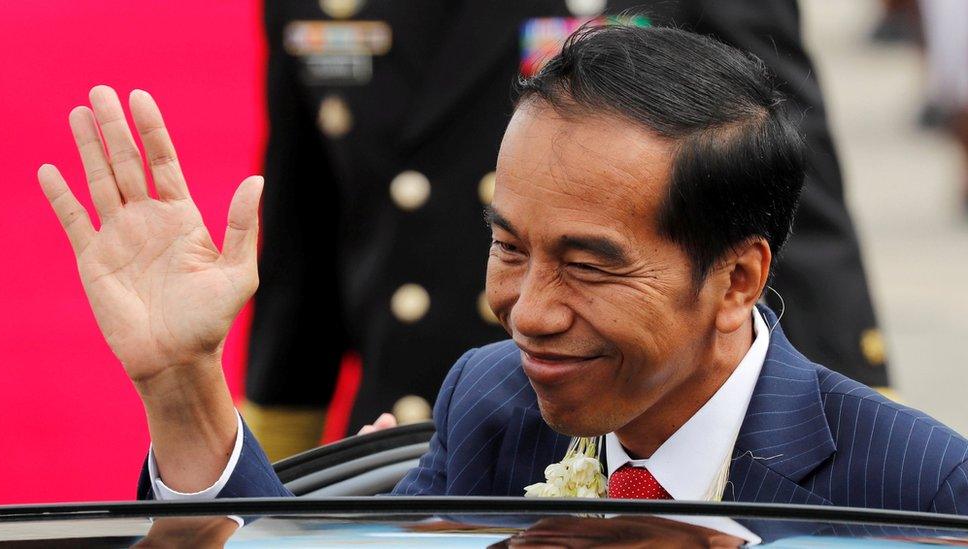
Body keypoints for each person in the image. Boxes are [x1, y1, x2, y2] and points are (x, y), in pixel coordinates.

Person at [39, 25, 965, 510]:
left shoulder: (910, 491)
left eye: (589, 266)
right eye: (508, 245)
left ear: (735, 280)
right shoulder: (492, 405)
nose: (526, 310)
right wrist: (182, 382)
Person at [249, 0, 892, 456]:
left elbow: (785, 202)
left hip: (624, 421)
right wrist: (279, 453)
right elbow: (302, 241)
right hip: (411, 422)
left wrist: (851, 447)